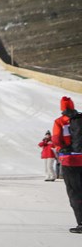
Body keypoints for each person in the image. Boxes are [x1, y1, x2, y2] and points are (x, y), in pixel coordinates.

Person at [51, 97, 82, 233]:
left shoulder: (60, 121)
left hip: (70, 161)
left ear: (62, 108)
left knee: (74, 191)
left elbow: (57, 139)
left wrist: (61, 148)